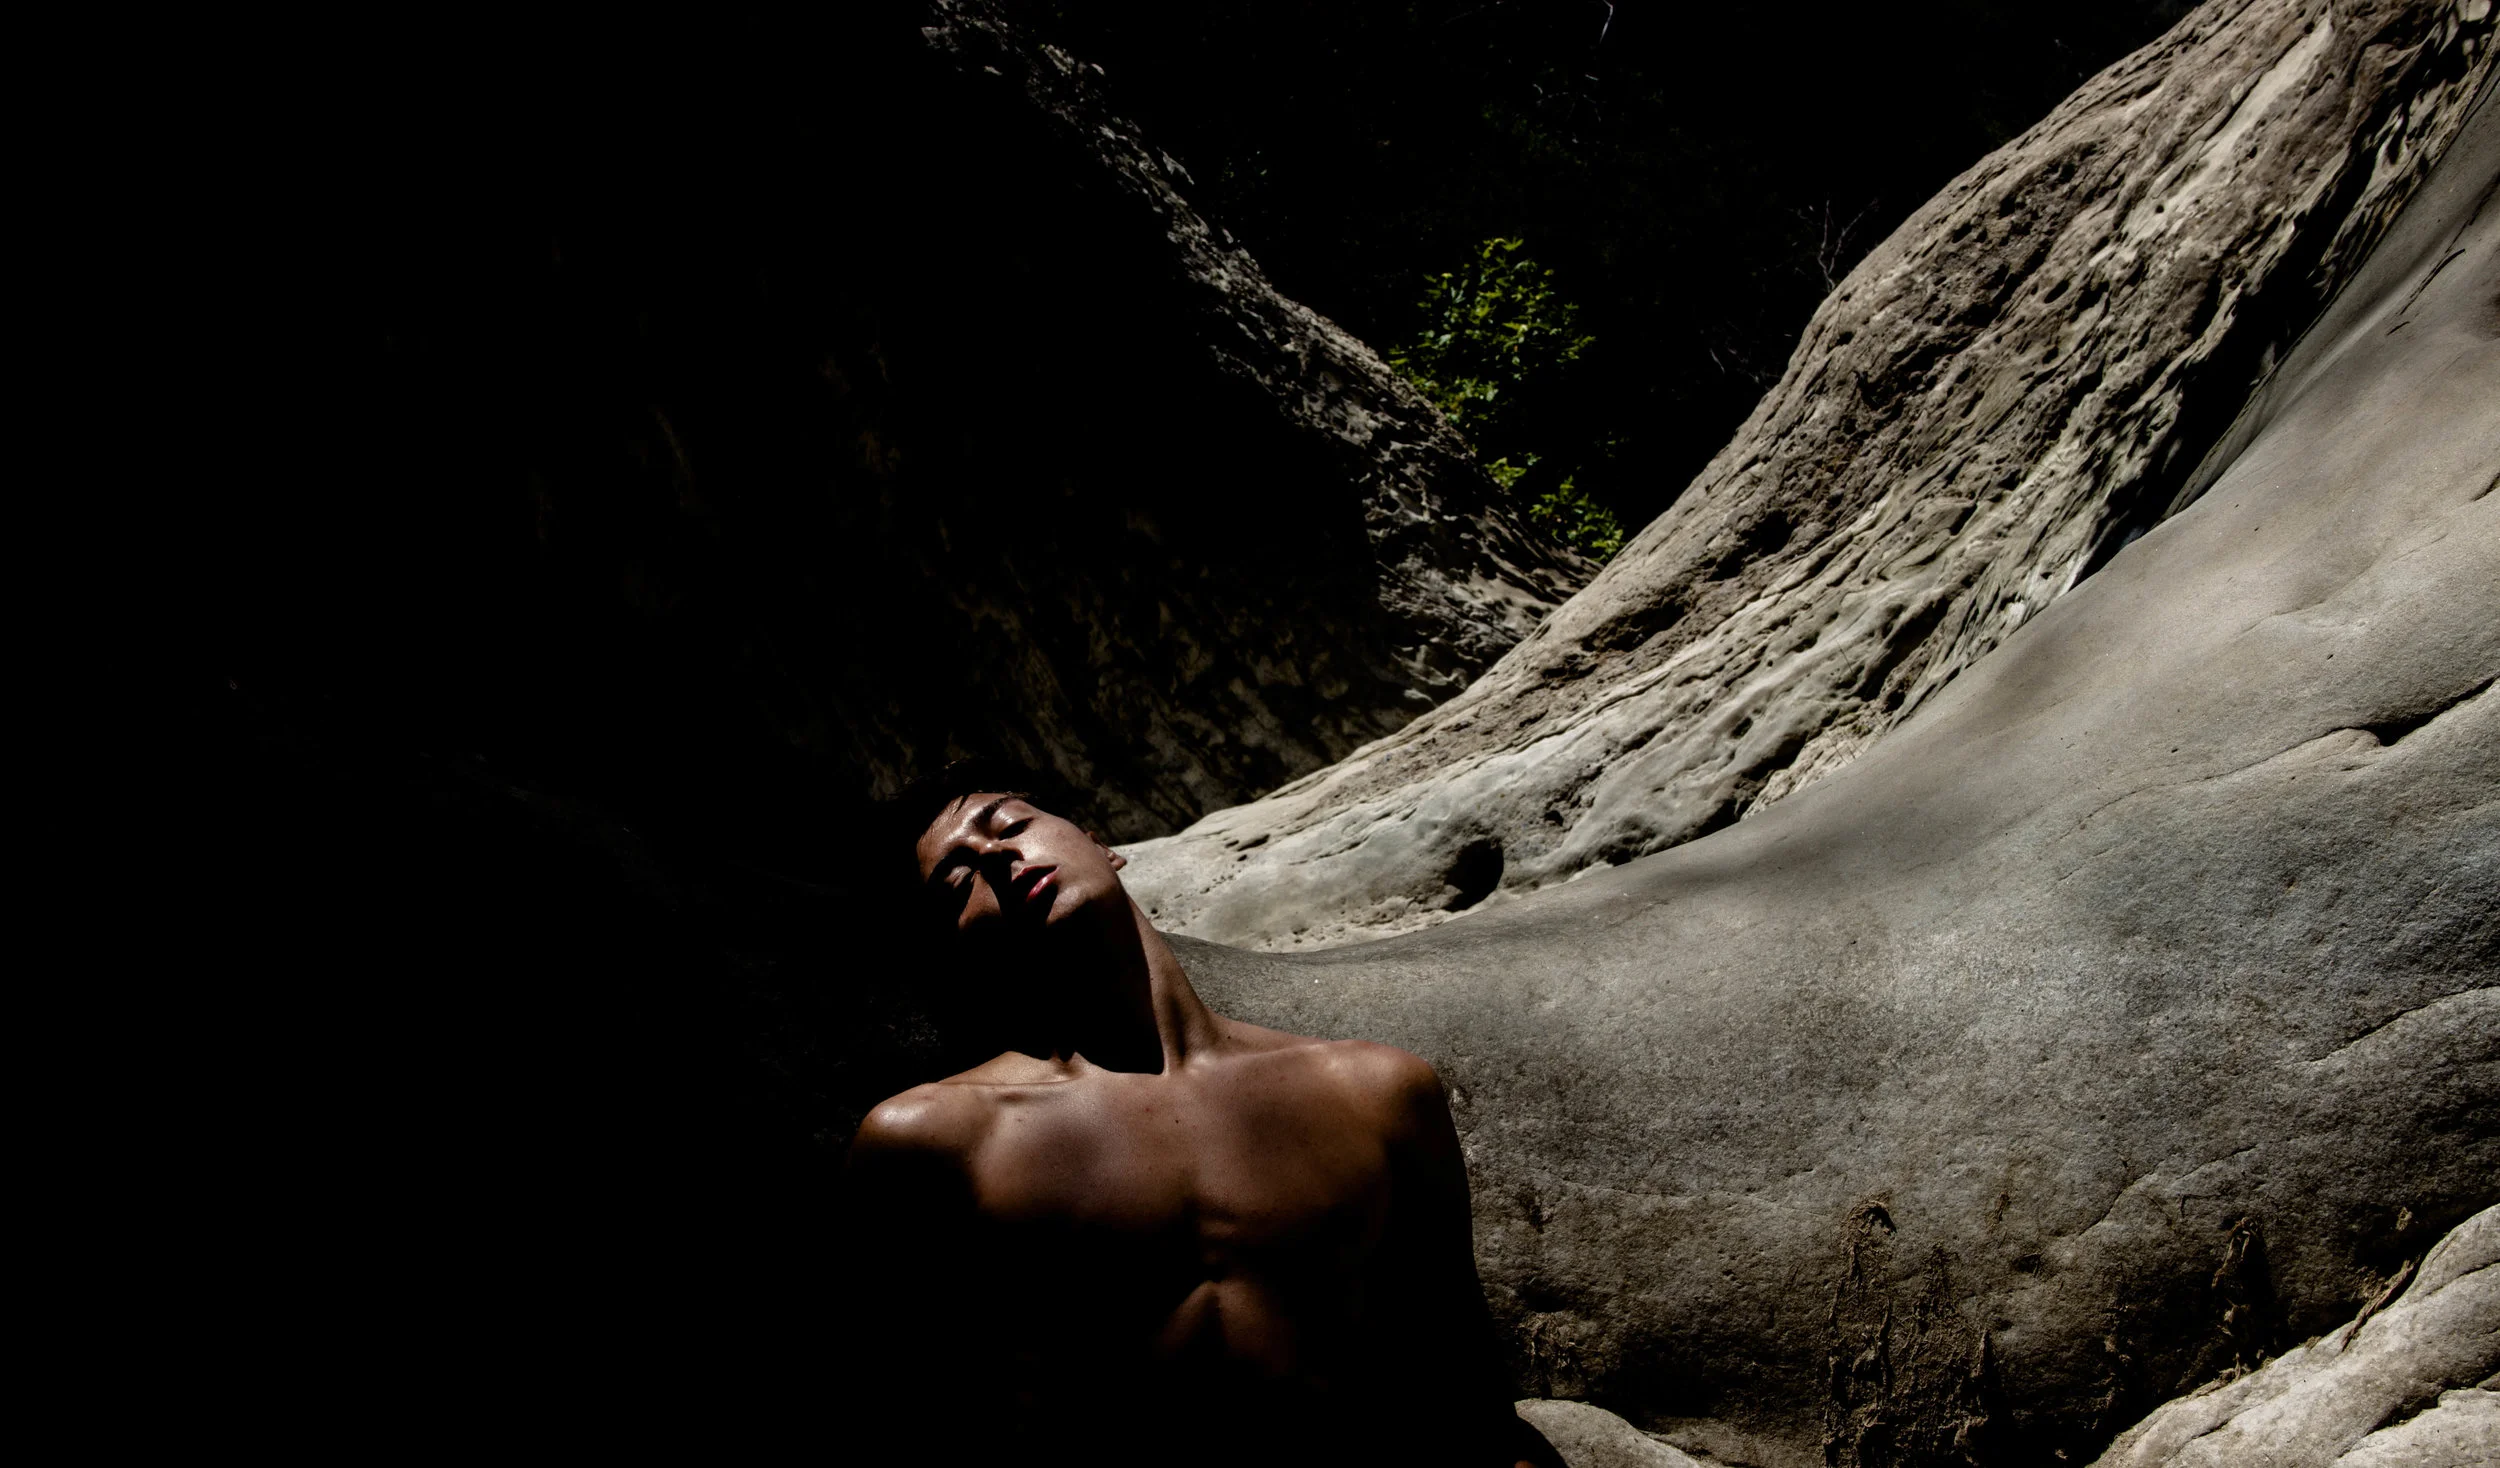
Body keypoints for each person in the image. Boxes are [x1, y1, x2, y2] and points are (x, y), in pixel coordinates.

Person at [843, 761, 1564, 1467]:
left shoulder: (1377, 1091)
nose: (997, 856)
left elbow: (1465, 1388)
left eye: (1008, 825)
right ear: (951, 946)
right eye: (958, 879)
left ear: (1100, 842)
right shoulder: (937, 1140)